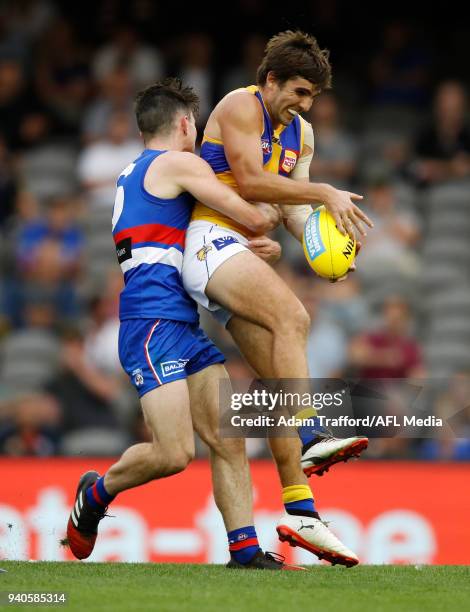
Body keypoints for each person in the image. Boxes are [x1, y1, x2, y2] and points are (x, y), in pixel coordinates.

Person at [65, 77, 308, 571]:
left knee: (228, 437)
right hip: (151, 323)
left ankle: (244, 551)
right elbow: (251, 214)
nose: (198, 134)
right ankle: (96, 493)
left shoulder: (137, 172)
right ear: (182, 124)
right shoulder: (178, 162)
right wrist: (276, 216)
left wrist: (246, 243)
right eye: (194, 126)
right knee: (174, 453)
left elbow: (210, 230)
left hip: (180, 320)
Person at [182, 30, 373, 563]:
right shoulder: (239, 106)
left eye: (312, 95)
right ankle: (312, 430)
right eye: (298, 91)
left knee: (274, 383)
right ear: (270, 80)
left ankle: (301, 513)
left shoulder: (302, 134)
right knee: (294, 317)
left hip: (243, 251)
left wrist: (323, 249)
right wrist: (324, 193)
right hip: (208, 240)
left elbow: (290, 210)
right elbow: (250, 179)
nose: (304, 104)